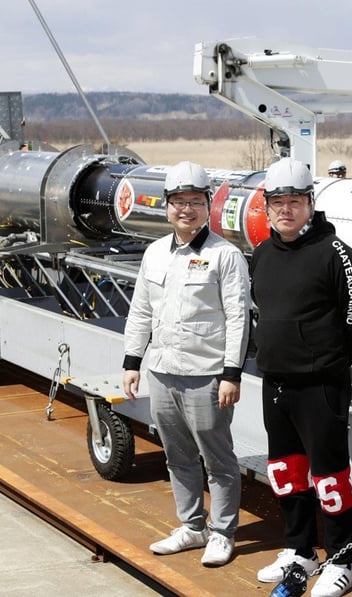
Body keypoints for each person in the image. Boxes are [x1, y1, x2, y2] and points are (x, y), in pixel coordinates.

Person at [249, 158, 352, 597]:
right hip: (276, 382)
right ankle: (300, 550)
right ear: (267, 206)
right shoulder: (263, 254)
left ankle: (342, 561)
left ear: (310, 203)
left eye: (295, 201)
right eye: (277, 202)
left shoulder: (335, 253)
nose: (286, 210)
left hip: (321, 385)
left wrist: (330, 362)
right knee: (286, 472)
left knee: (329, 477)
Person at [122, 160, 250, 567]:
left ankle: (222, 532)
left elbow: (238, 318)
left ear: (207, 205)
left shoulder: (225, 255)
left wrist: (231, 373)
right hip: (162, 371)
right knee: (176, 455)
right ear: (166, 206)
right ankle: (192, 527)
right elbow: (141, 311)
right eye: (179, 201)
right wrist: (132, 361)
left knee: (217, 459)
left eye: (195, 201)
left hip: (206, 374)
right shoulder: (154, 253)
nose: (186, 209)